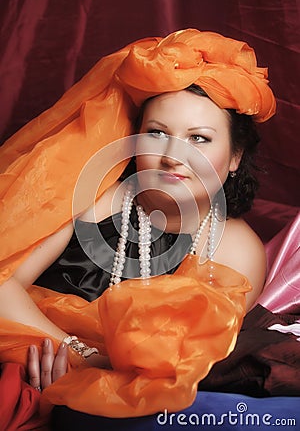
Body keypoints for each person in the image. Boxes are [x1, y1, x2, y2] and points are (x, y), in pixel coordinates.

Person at [0, 29, 276, 424]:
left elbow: (171, 359)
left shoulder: (235, 248)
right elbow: (2, 279)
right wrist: (74, 354)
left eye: (199, 138)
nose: (172, 156)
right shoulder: (91, 196)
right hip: (27, 364)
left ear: (235, 156)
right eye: (157, 133)